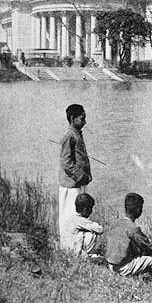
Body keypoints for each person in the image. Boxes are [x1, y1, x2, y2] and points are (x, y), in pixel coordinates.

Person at [106, 193, 152, 281]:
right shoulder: (133, 229)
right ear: (138, 210)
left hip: (111, 266)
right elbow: (151, 249)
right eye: (141, 208)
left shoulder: (116, 223)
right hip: (122, 269)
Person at [58, 104, 92, 247]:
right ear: (73, 118)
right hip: (70, 186)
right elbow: (66, 162)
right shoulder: (70, 136)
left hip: (76, 184)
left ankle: (74, 245)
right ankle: (67, 246)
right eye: (82, 118)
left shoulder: (77, 134)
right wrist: (81, 176)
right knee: (70, 216)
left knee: (76, 216)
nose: (85, 122)